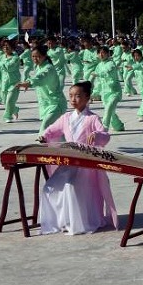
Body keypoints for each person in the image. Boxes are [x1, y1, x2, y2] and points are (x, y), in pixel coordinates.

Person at [37, 81, 118, 235]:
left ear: (87, 98)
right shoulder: (66, 117)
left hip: (86, 164)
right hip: (69, 161)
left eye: (78, 96)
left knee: (70, 186)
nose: (73, 99)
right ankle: (61, 221)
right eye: (71, 96)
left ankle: (80, 223)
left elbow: (105, 135)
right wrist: (44, 137)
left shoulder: (92, 118)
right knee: (50, 187)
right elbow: (51, 130)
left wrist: (96, 135)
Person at [17, 45, 68, 137]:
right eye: (33, 56)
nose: (35, 59)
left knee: (44, 128)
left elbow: (41, 77)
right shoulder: (38, 67)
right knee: (58, 133)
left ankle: (42, 143)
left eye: (38, 56)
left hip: (56, 104)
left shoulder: (48, 68)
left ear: (44, 56)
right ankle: (67, 147)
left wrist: (29, 83)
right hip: (46, 105)